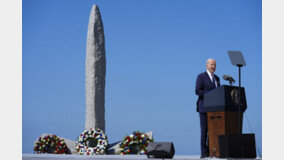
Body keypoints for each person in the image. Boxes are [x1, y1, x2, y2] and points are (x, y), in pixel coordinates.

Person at [195, 58, 220, 158]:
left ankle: (211, 151)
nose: (213, 66)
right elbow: (197, 91)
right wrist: (210, 94)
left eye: (215, 65)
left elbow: (219, 92)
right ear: (207, 65)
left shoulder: (217, 78)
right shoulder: (201, 76)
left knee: (213, 130)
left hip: (214, 109)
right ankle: (203, 153)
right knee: (204, 131)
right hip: (204, 107)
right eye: (212, 65)